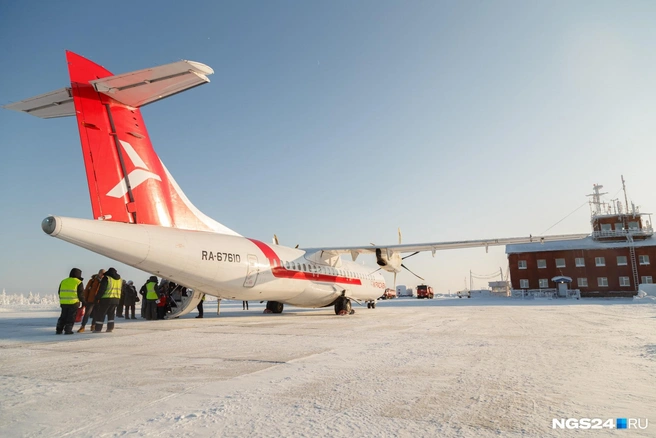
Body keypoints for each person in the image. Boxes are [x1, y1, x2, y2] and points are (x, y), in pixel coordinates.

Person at [92, 267, 122, 333]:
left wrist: (97, 298)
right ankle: (110, 328)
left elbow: (102, 289)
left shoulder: (107, 278)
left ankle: (98, 329)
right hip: (116, 299)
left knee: (101, 314)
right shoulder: (119, 280)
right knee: (111, 314)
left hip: (106, 299)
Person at [56, 268, 84, 335]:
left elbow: (59, 292)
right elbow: (80, 294)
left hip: (64, 302)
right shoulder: (78, 282)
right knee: (71, 317)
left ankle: (59, 330)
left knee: (63, 316)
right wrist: (84, 301)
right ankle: (68, 330)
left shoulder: (63, 281)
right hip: (73, 303)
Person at [78, 269, 104, 333]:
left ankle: (93, 326)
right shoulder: (92, 280)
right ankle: (83, 326)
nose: (102, 275)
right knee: (87, 314)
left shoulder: (104, 281)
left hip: (98, 300)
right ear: (99, 273)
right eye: (102, 274)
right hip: (91, 299)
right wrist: (84, 299)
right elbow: (87, 290)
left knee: (96, 314)